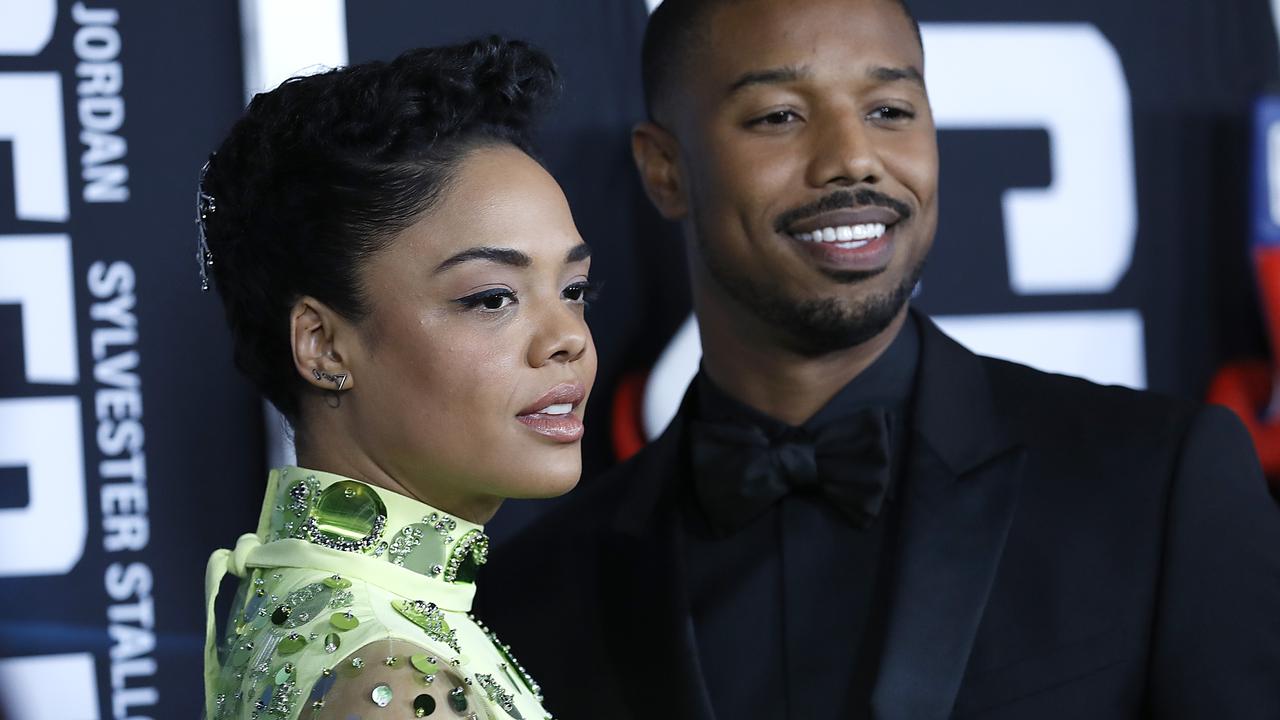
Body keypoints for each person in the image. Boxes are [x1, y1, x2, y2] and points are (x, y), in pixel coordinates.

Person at [479, 1, 1280, 718]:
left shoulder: (1157, 483)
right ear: (664, 169)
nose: (853, 159)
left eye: (891, 108)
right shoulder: (539, 590)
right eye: (780, 117)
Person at [199, 38, 597, 720]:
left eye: (575, 289)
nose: (568, 339)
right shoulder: (398, 681)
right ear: (323, 346)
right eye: (493, 297)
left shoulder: (309, 604)